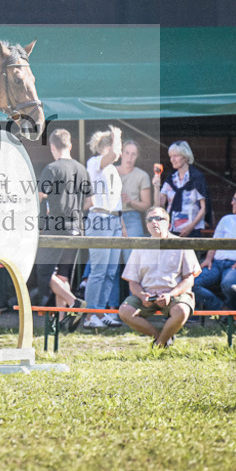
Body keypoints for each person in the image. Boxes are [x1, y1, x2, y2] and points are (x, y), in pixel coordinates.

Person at [118, 207, 201, 348]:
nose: (154, 222)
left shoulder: (182, 244)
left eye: (158, 219)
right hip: (147, 295)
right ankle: (161, 339)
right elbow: (133, 282)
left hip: (175, 295)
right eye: (150, 220)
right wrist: (142, 295)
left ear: (168, 224)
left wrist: (170, 294)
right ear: (147, 225)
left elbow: (189, 279)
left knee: (182, 310)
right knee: (124, 311)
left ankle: (159, 344)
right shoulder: (140, 247)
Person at [34, 128, 90, 330]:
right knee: (62, 276)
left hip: (55, 228)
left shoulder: (52, 168)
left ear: (52, 147)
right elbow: (90, 201)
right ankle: (61, 322)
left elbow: (40, 196)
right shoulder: (82, 169)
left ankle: (74, 302)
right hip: (77, 228)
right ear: (70, 145)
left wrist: (41, 222)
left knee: (44, 274)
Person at [83, 125, 125, 329]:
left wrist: (122, 224)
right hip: (99, 219)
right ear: (107, 146)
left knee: (110, 271)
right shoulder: (94, 163)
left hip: (114, 220)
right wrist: (117, 134)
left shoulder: (111, 170)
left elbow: (116, 201)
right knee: (99, 271)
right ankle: (91, 315)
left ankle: (101, 312)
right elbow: (116, 154)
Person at [117, 139, 152, 305]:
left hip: (132, 217)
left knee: (132, 264)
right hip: (111, 218)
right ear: (121, 154)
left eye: (133, 154)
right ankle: (110, 307)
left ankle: (134, 304)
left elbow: (146, 204)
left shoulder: (141, 175)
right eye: (127, 153)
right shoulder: (111, 171)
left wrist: (130, 201)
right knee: (110, 264)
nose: (129, 157)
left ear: (137, 157)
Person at [152, 140, 209, 238]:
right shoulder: (171, 179)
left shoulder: (196, 178)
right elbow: (159, 204)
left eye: (176, 156)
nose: (172, 159)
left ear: (186, 157)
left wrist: (190, 227)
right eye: (170, 156)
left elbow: (204, 208)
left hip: (192, 230)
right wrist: (156, 187)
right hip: (172, 230)